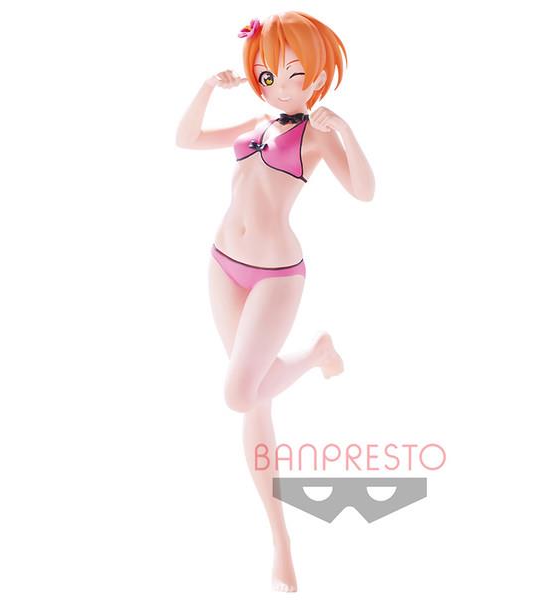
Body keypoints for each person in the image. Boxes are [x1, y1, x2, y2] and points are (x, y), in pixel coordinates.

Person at [175, 11, 375, 592]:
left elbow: (364, 192)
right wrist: (208, 87)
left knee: (241, 393)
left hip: (275, 276)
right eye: (267, 75)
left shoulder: (317, 137)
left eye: (294, 74)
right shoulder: (255, 123)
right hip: (222, 264)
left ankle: (313, 355)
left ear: (318, 76)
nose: (279, 86)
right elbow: (186, 139)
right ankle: (281, 542)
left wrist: (346, 131)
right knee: (257, 404)